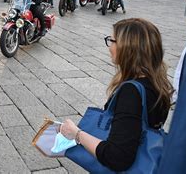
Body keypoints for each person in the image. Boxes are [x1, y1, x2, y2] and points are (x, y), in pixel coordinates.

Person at [59, 18, 173, 172]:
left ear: (127, 48)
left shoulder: (131, 92)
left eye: (112, 40)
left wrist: (77, 134)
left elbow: (117, 157)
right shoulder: (158, 84)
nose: (109, 46)